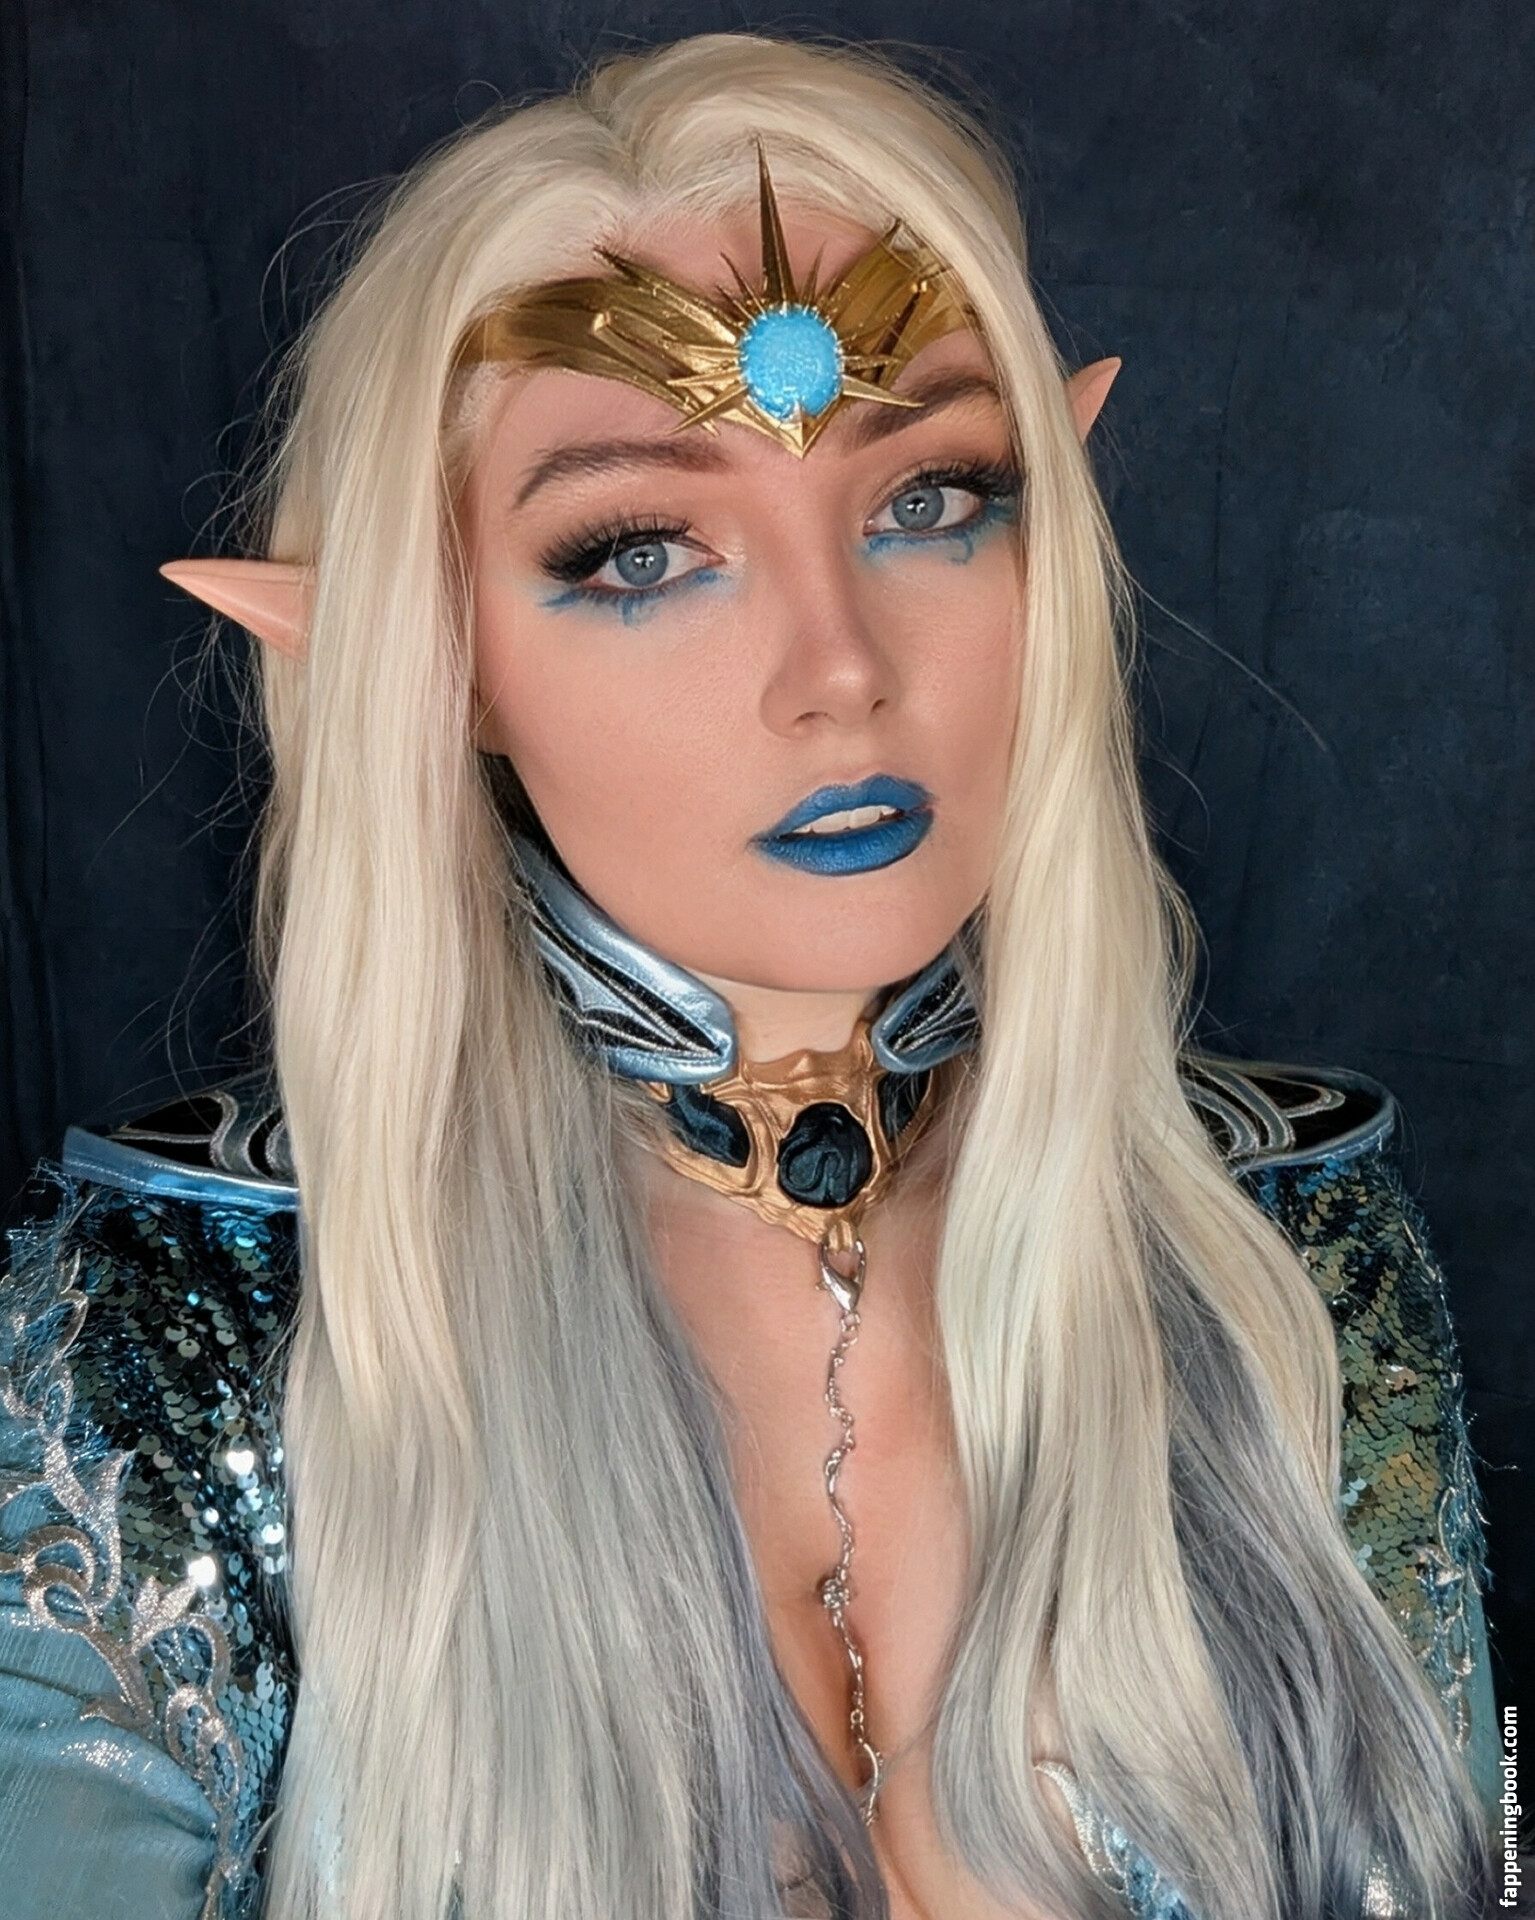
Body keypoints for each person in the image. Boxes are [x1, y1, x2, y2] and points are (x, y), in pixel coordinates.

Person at [0, 32, 1501, 1920]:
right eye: (641, 555)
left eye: (929, 502)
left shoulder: (1281, 1249)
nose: (841, 668)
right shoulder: (167, 1342)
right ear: (429, 653)